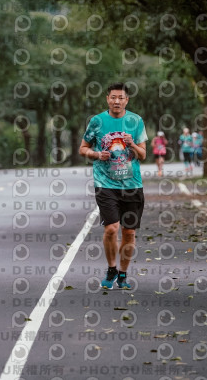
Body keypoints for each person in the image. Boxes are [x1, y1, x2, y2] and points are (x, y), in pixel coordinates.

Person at [79, 82, 148, 290]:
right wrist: (96, 154)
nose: (117, 101)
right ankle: (111, 269)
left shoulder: (136, 121)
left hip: (132, 184)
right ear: (107, 99)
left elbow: (143, 155)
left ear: (127, 100)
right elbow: (83, 148)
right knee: (111, 228)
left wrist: (132, 144)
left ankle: (123, 274)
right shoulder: (97, 121)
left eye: (121, 98)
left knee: (129, 233)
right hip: (105, 183)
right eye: (113, 97)